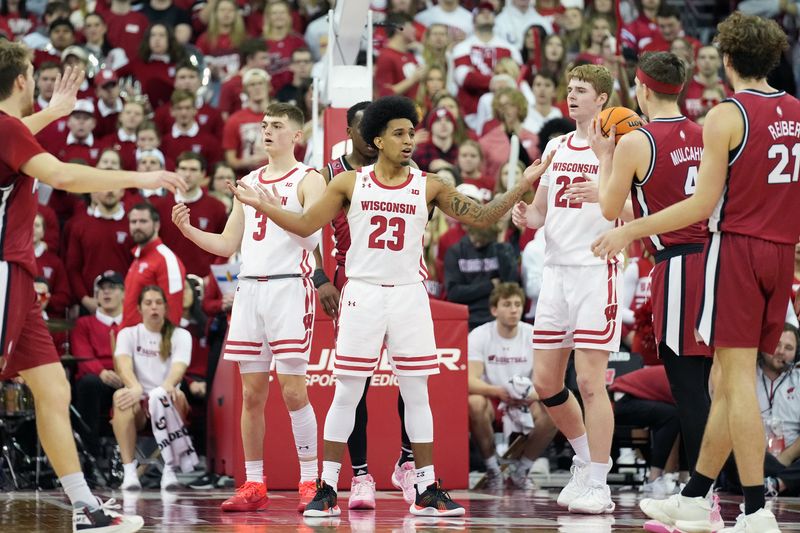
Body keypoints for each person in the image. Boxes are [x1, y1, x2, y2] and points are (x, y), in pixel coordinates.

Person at [229, 94, 553, 517]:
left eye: (411, 133)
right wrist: (265, 206)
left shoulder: (430, 183)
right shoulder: (348, 183)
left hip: (408, 293)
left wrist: (522, 184)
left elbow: (483, 215)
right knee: (346, 391)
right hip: (362, 292)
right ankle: (327, 487)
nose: (408, 140)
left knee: (418, 392)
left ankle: (425, 487)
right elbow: (308, 226)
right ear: (376, 140)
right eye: (399, 133)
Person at [592, 13, 800, 531]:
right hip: (782, 251)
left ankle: (754, 510)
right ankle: (696, 494)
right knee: (730, 385)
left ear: (726, 59)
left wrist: (627, 231)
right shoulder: (797, 111)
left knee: (737, 385)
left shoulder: (726, 115)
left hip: (737, 250)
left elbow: (700, 206)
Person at [0, 41, 184, 532]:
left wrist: (55, 111)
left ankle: (86, 508)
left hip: (17, 276)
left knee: (53, 387)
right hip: (2, 271)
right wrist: (139, 175)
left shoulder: (7, 130)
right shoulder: (5, 129)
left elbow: (15, 136)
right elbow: (62, 175)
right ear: (22, 82)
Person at [172, 102, 324, 513]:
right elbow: (226, 245)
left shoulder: (309, 179)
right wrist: (188, 230)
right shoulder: (249, 181)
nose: (267, 131)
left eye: (276, 126)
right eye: (264, 125)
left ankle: (311, 480)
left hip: (291, 288)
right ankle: (255, 483)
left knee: (294, 392)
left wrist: (265, 205)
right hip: (250, 292)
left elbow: (314, 238)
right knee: (252, 394)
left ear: (296, 136)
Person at [588, 51, 713, 482]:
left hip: (678, 266)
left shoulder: (635, 140)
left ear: (641, 88)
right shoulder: (705, 132)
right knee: (714, 387)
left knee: (688, 391)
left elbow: (609, 209)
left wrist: (604, 155)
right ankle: (727, 488)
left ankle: (702, 492)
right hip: (716, 263)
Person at [511, 64, 628, 515]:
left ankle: (599, 482)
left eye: (580, 91)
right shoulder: (557, 145)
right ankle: (584, 458)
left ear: (602, 98)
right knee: (545, 382)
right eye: (569, 89)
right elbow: (541, 212)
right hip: (557, 273)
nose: (571, 96)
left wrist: (603, 166)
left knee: (590, 382)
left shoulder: (621, 142)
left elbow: (632, 205)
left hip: (598, 269)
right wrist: (527, 217)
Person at [312, 101, 418, 510]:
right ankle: (359, 476)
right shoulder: (331, 174)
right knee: (356, 384)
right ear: (352, 131)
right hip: (351, 280)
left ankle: (408, 463)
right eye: (365, 129)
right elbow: (307, 229)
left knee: (411, 378)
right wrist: (320, 277)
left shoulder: (406, 172)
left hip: (401, 282)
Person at [468, 282, 557, 489]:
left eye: (518, 304)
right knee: (474, 402)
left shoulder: (533, 334)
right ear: (494, 310)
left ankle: (522, 469)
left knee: (555, 410)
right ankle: (492, 468)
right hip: (494, 396)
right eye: (507, 304)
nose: (514, 309)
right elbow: (469, 380)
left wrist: (530, 394)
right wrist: (498, 391)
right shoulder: (479, 335)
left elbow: (546, 380)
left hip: (526, 397)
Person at [112, 285, 193, 491]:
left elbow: (178, 369)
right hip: (138, 401)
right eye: (148, 303)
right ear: (140, 308)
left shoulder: (181, 335)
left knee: (174, 396)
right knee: (120, 396)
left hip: (167, 397)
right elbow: (123, 365)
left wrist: (163, 389)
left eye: (158, 303)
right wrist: (135, 386)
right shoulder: (128, 334)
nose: (153, 307)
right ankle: (129, 471)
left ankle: (170, 469)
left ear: (166, 307)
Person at [72, 271, 125, 460]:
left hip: (127, 379)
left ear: (124, 293)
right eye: (102, 289)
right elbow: (82, 354)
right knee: (89, 383)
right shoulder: (84, 323)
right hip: (98, 381)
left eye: (112, 288)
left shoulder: (132, 325)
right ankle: (90, 458)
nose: (106, 293)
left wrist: (127, 376)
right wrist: (101, 372)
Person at [122, 202, 186, 327]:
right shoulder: (137, 257)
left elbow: (173, 311)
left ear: (156, 225)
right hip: (131, 338)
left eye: (143, 221)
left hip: (151, 342)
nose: (137, 226)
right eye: (133, 222)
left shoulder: (166, 259)